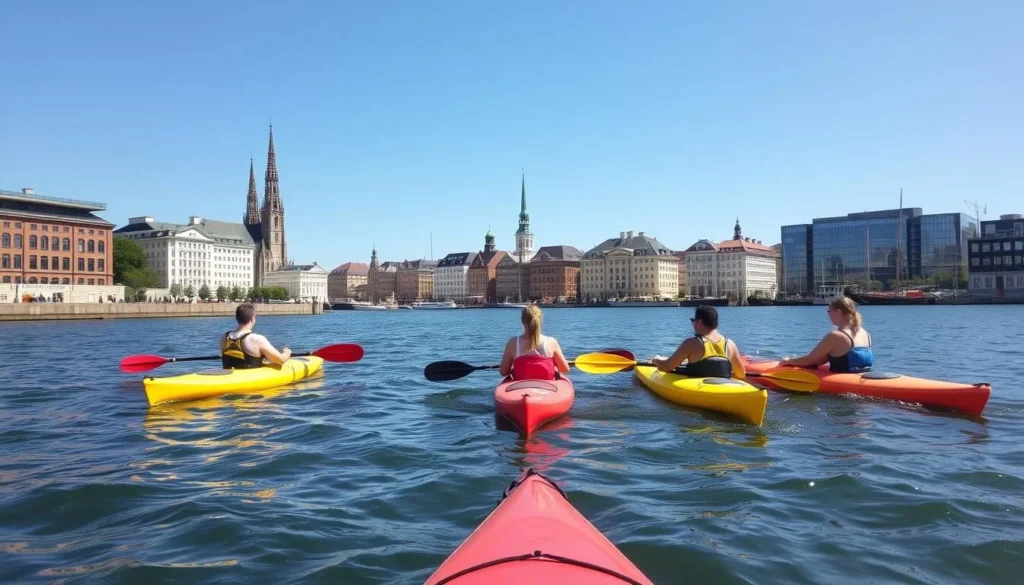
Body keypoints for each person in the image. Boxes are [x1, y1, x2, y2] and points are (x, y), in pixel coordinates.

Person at [780, 296, 873, 372]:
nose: (828, 315)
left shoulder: (836, 336)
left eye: (829, 311)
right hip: (860, 379)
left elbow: (810, 360)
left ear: (838, 312)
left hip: (842, 387)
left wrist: (789, 361)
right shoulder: (866, 334)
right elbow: (821, 360)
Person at [651, 304, 746, 379]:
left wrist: (656, 361)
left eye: (693, 320)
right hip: (724, 391)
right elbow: (741, 374)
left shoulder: (691, 343)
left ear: (699, 322)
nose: (693, 324)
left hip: (699, 391)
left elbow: (667, 366)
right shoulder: (730, 344)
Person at [499, 304, 571, 380]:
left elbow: (503, 372)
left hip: (522, 388)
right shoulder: (551, 342)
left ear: (522, 321)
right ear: (540, 320)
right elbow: (565, 369)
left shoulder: (513, 343)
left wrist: (515, 368)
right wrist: (554, 364)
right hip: (546, 389)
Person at [221, 303, 292, 369]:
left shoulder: (225, 337)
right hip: (248, 380)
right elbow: (281, 360)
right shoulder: (257, 339)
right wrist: (287, 352)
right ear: (252, 319)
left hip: (229, 376)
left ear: (236, 318)